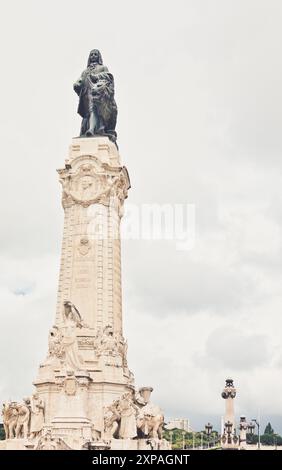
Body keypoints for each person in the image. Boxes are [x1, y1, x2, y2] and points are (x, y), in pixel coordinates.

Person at [74, 49, 117, 142]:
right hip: (86, 94)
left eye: (95, 54)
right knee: (88, 114)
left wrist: (96, 77)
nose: (93, 56)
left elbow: (109, 77)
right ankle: (90, 130)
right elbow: (81, 80)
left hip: (98, 93)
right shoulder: (85, 71)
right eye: (91, 55)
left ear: (99, 57)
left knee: (95, 110)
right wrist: (77, 84)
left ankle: (93, 130)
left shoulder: (102, 68)